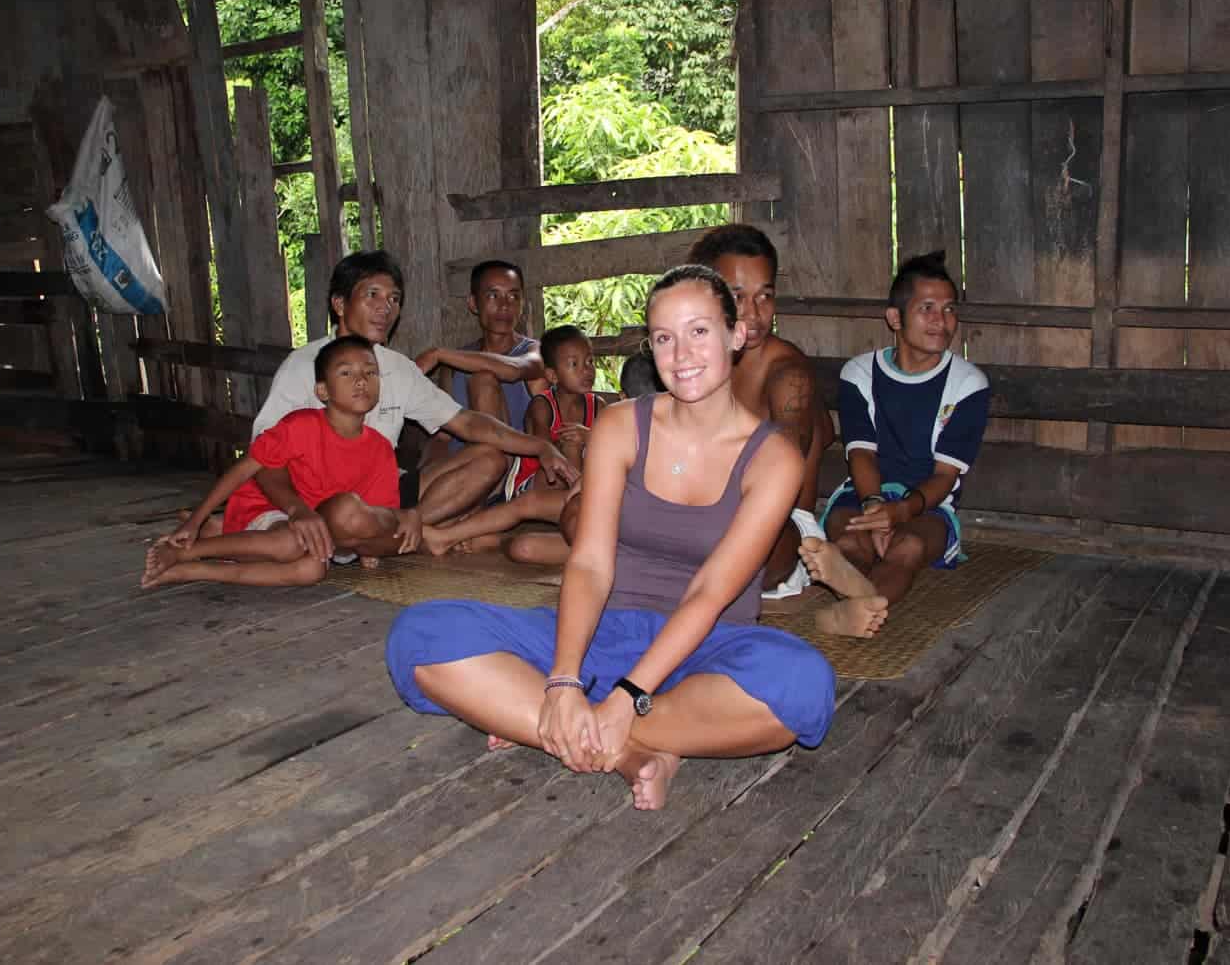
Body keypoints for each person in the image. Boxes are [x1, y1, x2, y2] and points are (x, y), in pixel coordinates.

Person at [386, 265, 836, 812]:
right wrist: (563, 681)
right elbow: (591, 566)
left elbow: (711, 593)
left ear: (735, 335)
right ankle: (630, 743)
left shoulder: (773, 458)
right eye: (664, 338)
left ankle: (576, 726)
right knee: (419, 635)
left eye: (699, 331)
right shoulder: (622, 426)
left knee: (802, 687)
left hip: (708, 647)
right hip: (606, 630)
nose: (682, 354)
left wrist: (627, 695)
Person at [248, 251, 577, 563]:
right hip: (319, 500)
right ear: (339, 304)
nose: (385, 308)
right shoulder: (304, 365)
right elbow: (261, 456)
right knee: (345, 514)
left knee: (491, 457)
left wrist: (540, 445)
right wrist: (295, 509)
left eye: (393, 299)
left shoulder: (397, 367)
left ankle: (407, 529)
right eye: (373, 295)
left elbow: (467, 423)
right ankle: (402, 538)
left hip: (383, 495)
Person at [799, 250, 990, 636]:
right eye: (928, 308)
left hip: (929, 504)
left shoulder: (968, 384)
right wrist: (875, 507)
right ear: (895, 318)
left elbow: (944, 475)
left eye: (950, 309)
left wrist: (901, 513)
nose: (942, 320)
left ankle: (843, 610)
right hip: (864, 492)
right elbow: (862, 454)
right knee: (853, 544)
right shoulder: (859, 373)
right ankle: (858, 608)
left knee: (907, 550)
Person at [141, 338, 417, 588]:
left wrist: (369, 547)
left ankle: (194, 570)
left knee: (312, 571)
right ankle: (186, 551)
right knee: (291, 542)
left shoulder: (380, 448)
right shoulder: (301, 425)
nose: (361, 381)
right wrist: (193, 523)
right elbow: (242, 470)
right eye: (347, 373)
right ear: (323, 391)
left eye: (370, 372)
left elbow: (379, 511)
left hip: (319, 533)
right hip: (270, 509)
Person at [686, 226, 842, 615]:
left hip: (778, 526)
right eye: (737, 296)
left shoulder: (787, 375)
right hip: (705, 510)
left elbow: (776, 485)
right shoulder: (694, 359)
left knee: (760, 545)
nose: (754, 314)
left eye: (765, 296)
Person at [422, 325, 616, 557]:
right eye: (575, 364)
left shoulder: (599, 407)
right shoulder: (543, 406)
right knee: (567, 446)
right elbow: (547, 454)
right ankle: (452, 534)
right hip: (542, 480)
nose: (587, 371)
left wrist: (590, 437)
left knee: (579, 443)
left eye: (590, 362)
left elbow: (612, 452)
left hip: (582, 489)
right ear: (553, 375)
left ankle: (494, 538)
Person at [414, 260, 546, 457]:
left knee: (482, 380)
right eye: (493, 295)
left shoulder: (535, 352)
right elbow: (443, 438)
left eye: (513, 296)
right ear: (474, 303)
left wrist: (438, 353)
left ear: (522, 305)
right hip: (468, 470)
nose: (504, 306)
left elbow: (513, 370)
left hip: (513, 469)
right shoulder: (454, 365)